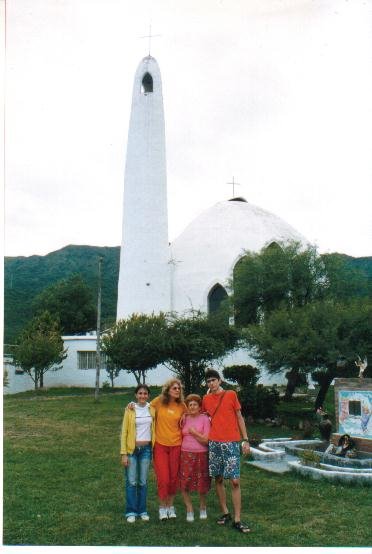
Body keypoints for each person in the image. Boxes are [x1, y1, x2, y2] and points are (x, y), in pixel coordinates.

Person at [202, 369, 251, 533]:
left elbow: (239, 417)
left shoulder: (231, 394)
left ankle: (238, 519)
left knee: (235, 481)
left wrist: (245, 439)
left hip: (231, 443)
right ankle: (225, 512)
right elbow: (200, 416)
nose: (211, 383)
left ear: (219, 381)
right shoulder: (206, 399)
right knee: (219, 478)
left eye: (213, 380)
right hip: (214, 443)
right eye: (208, 381)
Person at [150, 378, 187, 521]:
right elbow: (144, 407)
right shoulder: (158, 401)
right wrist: (131, 405)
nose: (177, 390)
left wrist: (185, 414)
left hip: (177, 446)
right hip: (160, 445)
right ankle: (162, 507)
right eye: (174, 388)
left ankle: (170, 507)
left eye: (179, 388)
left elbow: (193, 413)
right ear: (167, 390)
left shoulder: (182, 405)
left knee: (173, 479)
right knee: (163, 479)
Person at [120, 384, 156, 523]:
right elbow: (124, 432)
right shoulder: (130, 409)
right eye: (140, 393)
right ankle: (131, 511)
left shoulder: (152, 409)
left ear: (148, 395)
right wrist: (124, 453)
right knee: (131, 482)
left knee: (143, 482)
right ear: (136, 395)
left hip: (146, 450)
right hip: (132, 450)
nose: (142, 396)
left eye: (145, 393)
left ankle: (142, 510)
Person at [179, 394, 211, 522]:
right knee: (184, 481)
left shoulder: (204, 419)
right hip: (185, 453)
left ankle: (203, 506)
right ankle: (189, 508)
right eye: (190, 405)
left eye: (195, 405)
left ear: (199, 407)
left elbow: (206, 440)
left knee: (202, 482)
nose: (192, 407)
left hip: (201, 454)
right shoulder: (184, 418)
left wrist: (194, 433)